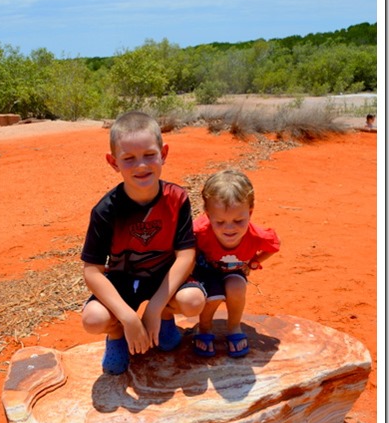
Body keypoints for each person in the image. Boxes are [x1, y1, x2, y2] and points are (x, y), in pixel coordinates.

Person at [81, 111, 206, 374]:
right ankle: (116, 335)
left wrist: (156, 307)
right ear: (113, 162)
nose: (141, 166)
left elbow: (186, 254)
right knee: (93, 319)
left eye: (150, 154)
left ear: (164, 153)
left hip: (163, 278)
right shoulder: (106, 210)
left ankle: (164, 318)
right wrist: (127, 319)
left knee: (193, 300)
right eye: (129, 158)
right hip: (123, 279)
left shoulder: (176, 198)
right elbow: (92, 270)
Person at [192, 169, 280, 357]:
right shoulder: (199, 231)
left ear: (250, 211)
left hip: (234, 270)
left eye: (239, 220)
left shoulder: (256, 235)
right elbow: (183, 248)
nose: (229, 228)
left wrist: (254, 263)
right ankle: (205, 328)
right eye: (220, 222)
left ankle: (234, 326)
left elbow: (273, 245)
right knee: (212, 296)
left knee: (237, 287)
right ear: (207, 215)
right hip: (206, 271)